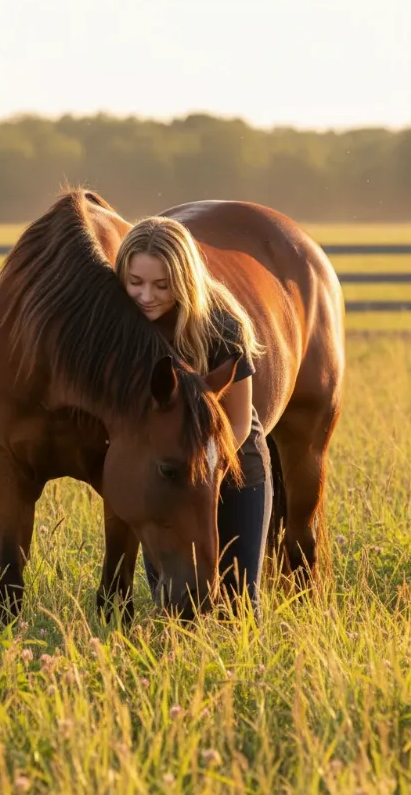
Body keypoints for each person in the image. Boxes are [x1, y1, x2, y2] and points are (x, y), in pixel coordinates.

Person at [114, 215, 272, 616]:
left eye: (161, 285)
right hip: (165, 477)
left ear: (183, 280)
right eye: (135, 282)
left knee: (237, 608)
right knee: (174, 606)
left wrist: (201, 474)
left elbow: (238, 420)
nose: (146, 295)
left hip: (232, 468)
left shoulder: (222, 324)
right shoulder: (118, 326)